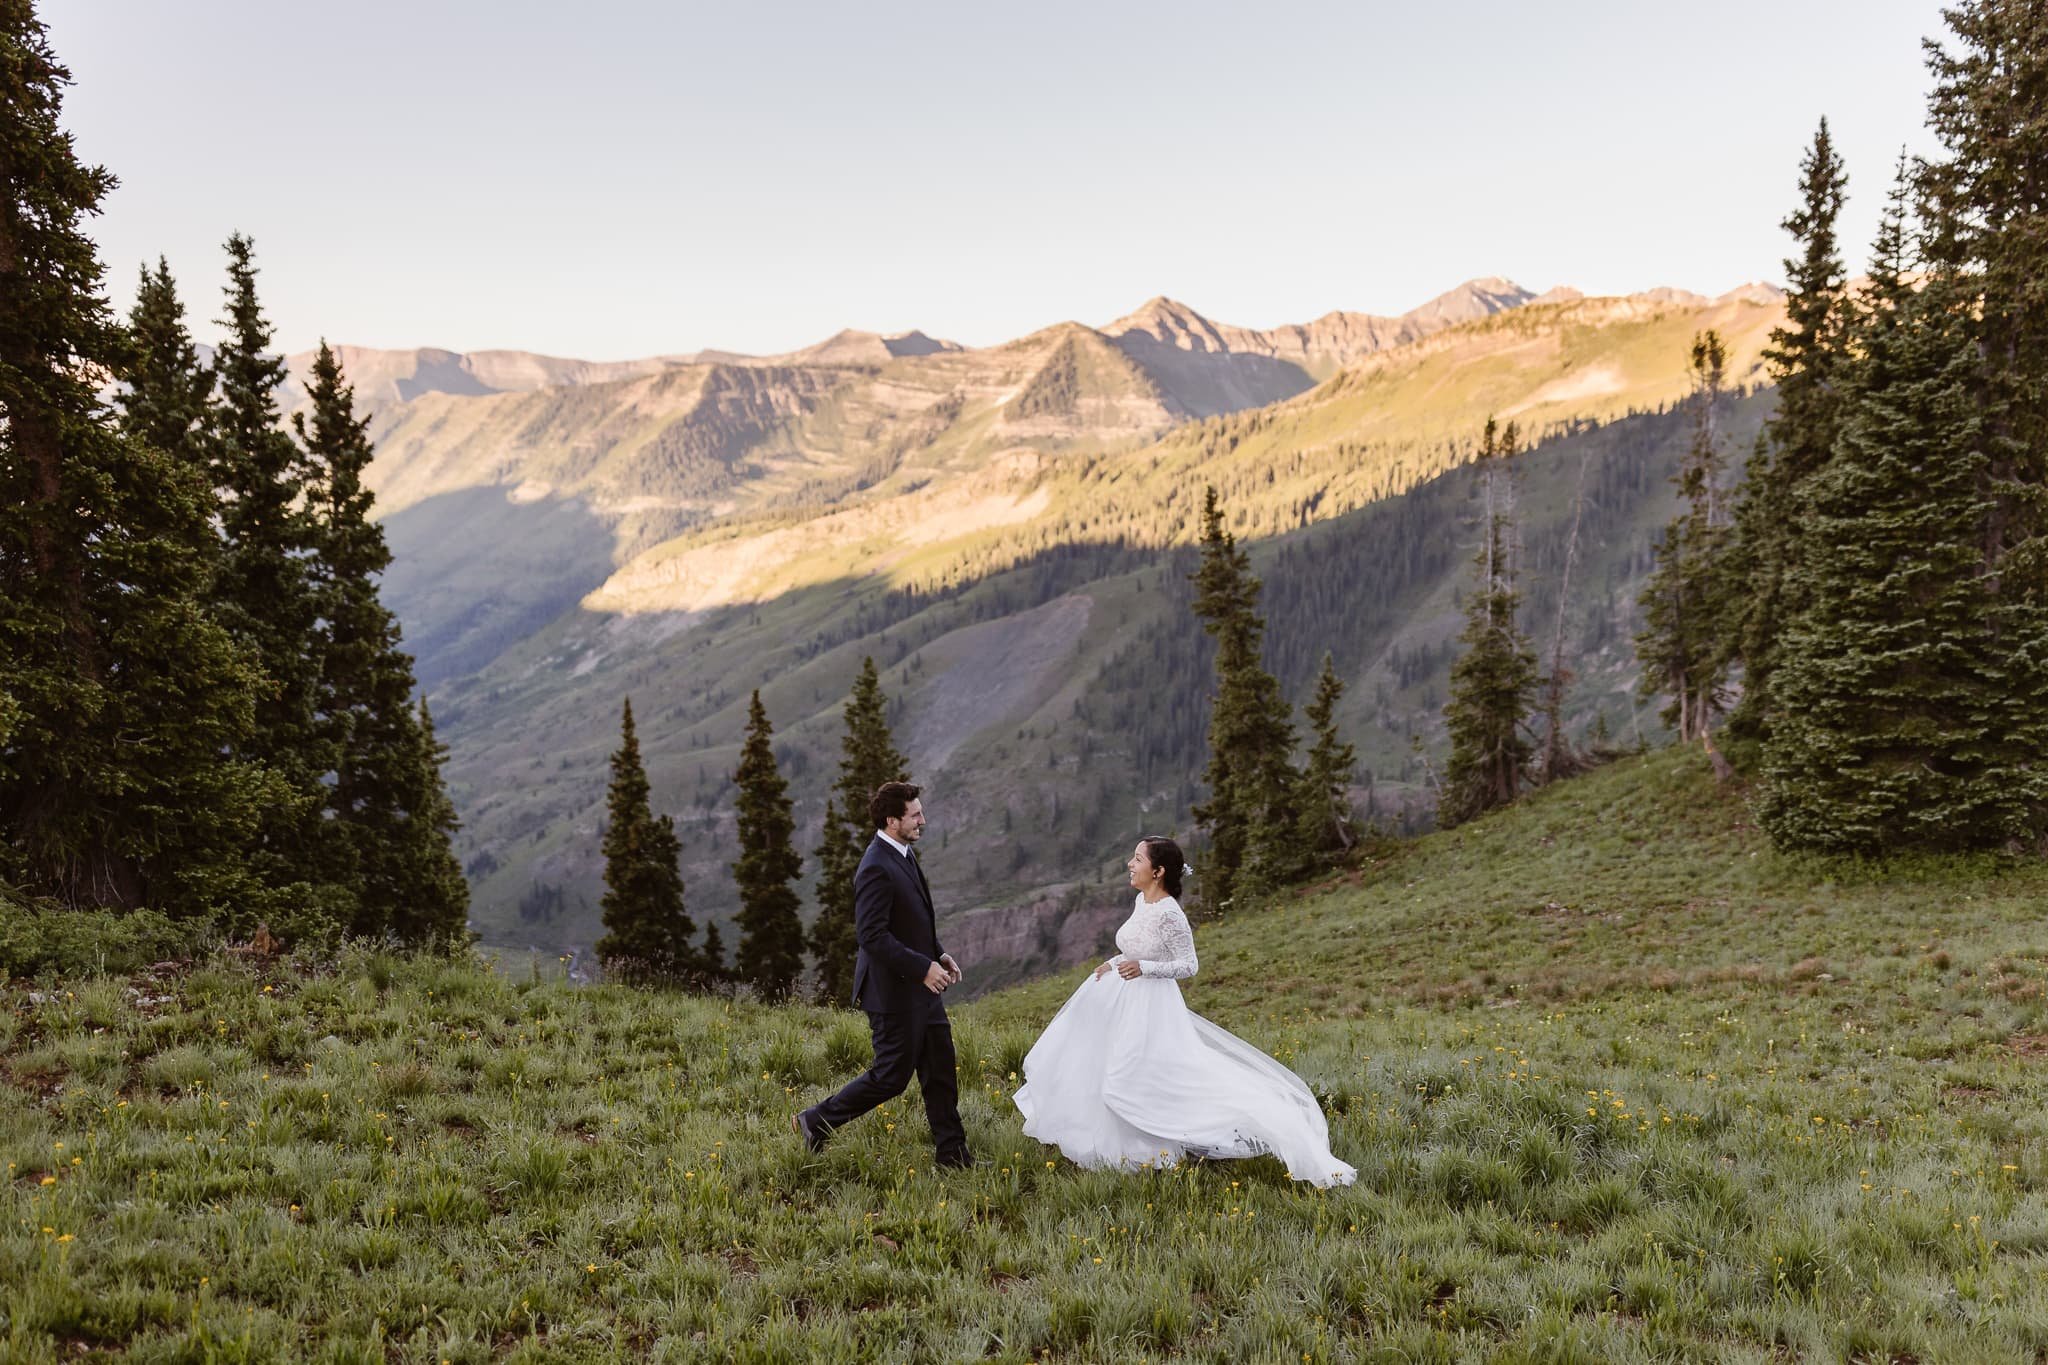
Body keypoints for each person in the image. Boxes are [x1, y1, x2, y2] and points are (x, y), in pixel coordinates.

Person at [1012, 835, 1355, 1188]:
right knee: (1100, 1061)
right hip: (1120, 995)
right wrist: (1112, 963)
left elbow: (1188, 965)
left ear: (1158, 871)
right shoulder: (1141, 900)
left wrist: (1145, 968)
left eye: (1137, 859)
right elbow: (1133, 946)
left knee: (1131, 1071)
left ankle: (1157, 1140)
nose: (1130, 865)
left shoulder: (1171, 914)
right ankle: (1109, 1134)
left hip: (1151, 1005)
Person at [792, 781, 973, 1168]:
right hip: (893, 993)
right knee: (891, 1077)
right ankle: (815, 1120)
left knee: (940, 1070)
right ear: (893, 820)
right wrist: (923, 967)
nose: (922, 820)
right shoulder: (875, 865)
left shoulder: (904, 854)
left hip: (924, 988)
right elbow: (872, 936)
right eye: (915, 815)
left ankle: (953, 1156)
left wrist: (938, 954)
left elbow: (912, 921)